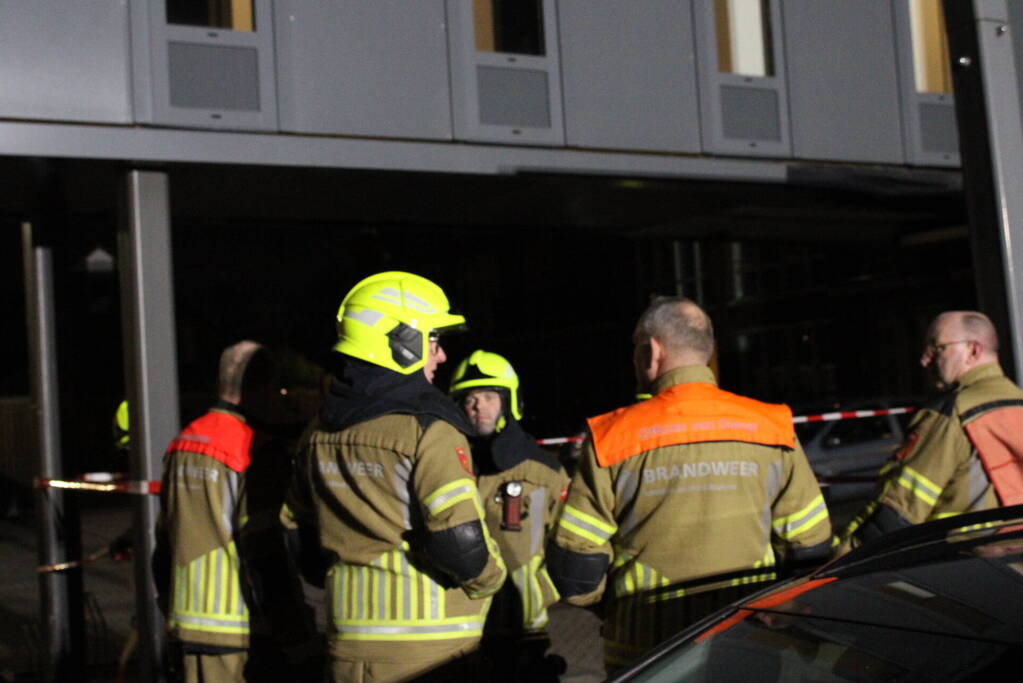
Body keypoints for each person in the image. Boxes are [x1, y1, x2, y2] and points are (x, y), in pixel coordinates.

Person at [547, 296, 831, 672]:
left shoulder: (612, 438)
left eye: (636, 348)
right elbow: (811, 543)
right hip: (748, 642)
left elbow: (575, 569)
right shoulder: (771, 427)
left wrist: (608, 605)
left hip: (648, 651)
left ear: (651, 352)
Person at [280, 271, 506, 682]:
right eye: (433, 341)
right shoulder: (428, 431)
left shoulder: (316, 433)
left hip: (345, 649)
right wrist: (492, 580)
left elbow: (299, 539)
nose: (439, 357)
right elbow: (460, 545)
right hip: (430, 656)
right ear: (401, 342)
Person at [837, 310, 1023, 550]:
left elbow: (896, 515)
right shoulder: (1018, 402)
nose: (924, 360)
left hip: (957, 571)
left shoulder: (950, 414)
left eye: (937, 348)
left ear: (972, 350)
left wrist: (840, 562)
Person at [153, 341, 278, 683]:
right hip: (239, 630)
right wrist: (294, 635)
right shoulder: (254, 447)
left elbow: (163, 539)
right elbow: (267, 554)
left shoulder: (184, 441)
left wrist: (168, 602)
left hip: (187, 623)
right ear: (262, 387)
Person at [448, 350, 569, 682]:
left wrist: (551, 589)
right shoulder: (446, 468)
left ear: (508, 401)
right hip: (464, 628)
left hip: (527, 629)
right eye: (470, 398)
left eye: (489, 396)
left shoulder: (544, 471)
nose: (479, 406)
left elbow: (570, 539)